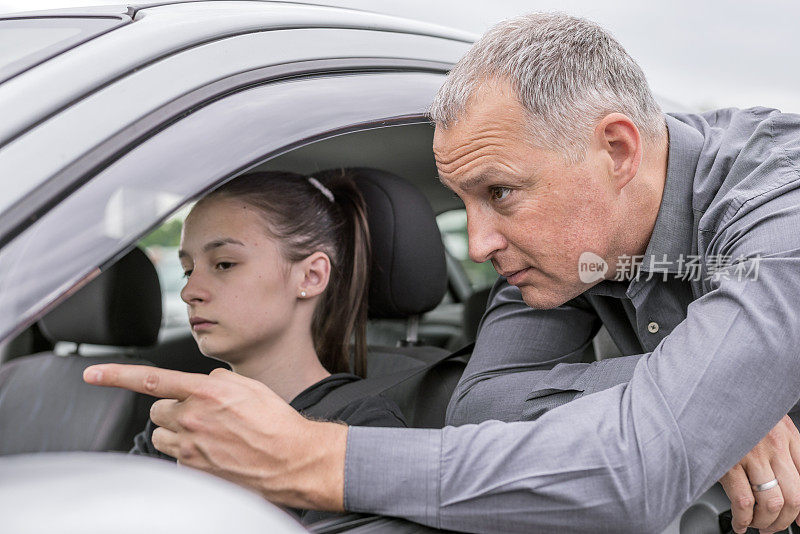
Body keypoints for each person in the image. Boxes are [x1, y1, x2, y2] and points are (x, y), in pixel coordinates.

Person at [84, 13, 800, 534]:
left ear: (616, 150)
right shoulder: (559, 254)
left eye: (500, 193)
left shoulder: (780, 202)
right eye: (463, 203)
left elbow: (637, 474)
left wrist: (309, 457)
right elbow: (483, 404)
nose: (481, 243)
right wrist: (703, 396)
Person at [129, 170, 405, 520]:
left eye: (224, 264)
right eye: (188, 270)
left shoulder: (364, 429)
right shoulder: (181, 421)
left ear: (311, 276)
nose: (189, 291)